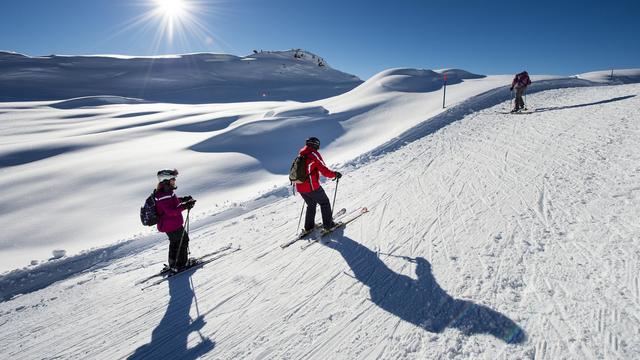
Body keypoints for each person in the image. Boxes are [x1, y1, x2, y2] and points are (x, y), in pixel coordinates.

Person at [296, 137, 342, 237]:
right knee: (324, 202)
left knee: (311, 204)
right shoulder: (313, 155)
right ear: (315, 145)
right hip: (311, 187)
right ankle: (328, 225)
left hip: (300, 186)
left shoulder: (301, 154)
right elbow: (324, 170)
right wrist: (335, 174)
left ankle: (309, 227)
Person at [154, 169, 197, 272]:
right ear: (166, 181)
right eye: (173, 179)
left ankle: (173, 264)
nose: (174, 182)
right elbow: (171, 211)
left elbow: (172, 202)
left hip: (170, 224)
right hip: (171, 224)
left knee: (175, 243)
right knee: (183, 241)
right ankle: (181, 265)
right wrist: (185, 206)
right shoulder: (163, 195)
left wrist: (184, 200)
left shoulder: (166, 192)